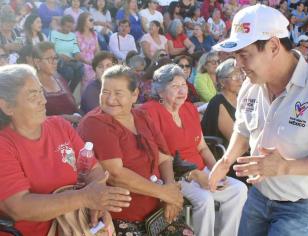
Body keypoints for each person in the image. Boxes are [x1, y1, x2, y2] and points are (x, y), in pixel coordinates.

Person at [210, 4, 308, 236]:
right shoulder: (249, 86)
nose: (238, 66)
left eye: (244, 55)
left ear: (273, 46)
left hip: (304, 205)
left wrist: (284, 166)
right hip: (259, 195)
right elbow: (243, 129)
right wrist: (225, 161)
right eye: (236, 56)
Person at [0, 64, 131, 236]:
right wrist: (85, 198)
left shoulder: (60, 126)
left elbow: (94, 169)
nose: (44, 100)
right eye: (33, 96)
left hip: (80, 224)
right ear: (7, 106)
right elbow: (18, 207)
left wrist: (99, 206)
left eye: (41, 91)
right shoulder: (5, 145)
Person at [77, 65, 185, 235]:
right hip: (125, 218)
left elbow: (164, 157)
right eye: (105, 92)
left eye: (118, 93)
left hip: (158, 211)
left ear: (134, 95)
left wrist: (170, 188)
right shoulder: (96, 123)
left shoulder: (142, 116)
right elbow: (115, 174)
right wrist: (164, 193)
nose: (111, 99)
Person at [141, 64, 247, 236]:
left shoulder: (189, 108)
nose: (182, 90)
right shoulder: (150, 111)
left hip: (200, 170)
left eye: (183, 85)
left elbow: (202, 147)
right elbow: (160, 156)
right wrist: (195, 175)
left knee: (238, 189)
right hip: (174, 175)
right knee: (204, 199)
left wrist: (217, 171)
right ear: (160, 92)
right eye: (175, 86)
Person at [32, 42, 81, 125]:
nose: (55, 62)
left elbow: (73, 105)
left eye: (55, 58)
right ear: (37, 62)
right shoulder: (33, 85)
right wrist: (64, 118)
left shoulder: (59, 78)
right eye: (50, 59)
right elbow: (33, 118)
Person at [201, 58, 244, 152]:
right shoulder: (218, 102)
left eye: (241, 75)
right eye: (234, 77)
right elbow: (234, 139)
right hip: (227, 154)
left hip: (242, 149)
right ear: (222, 82)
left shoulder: (240, 99)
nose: (240, 80)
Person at [49, 15, 85, 93]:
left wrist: (77, 53)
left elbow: (76, 50)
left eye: (71, 27)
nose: (69, 29)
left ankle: (69, 91)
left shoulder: (72, 35)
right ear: (61, 25)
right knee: (69, 72)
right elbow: (50, 50)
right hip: (58, 60)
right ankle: (63, 90)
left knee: (81, 69)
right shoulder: (54, 34)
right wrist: (59, 55)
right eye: (67, 26)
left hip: (70, 60)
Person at [76, 12, 100, 92]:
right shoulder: (77, 35)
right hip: (82, 61)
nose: (93, 22)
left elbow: (97, 50)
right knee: (87, 70)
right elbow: (77, 54)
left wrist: (97, 61)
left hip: (93, 60)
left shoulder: (94, 34)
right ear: (83, 22)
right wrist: (88, 62)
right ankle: (86, 99)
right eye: (90, 20)